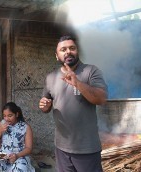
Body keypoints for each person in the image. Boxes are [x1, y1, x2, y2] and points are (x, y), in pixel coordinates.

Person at [39, 35, 108, 172]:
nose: (68, 51)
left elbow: (101, 99)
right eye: (63, 49)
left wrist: (77, 82)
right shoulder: (51, 77)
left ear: (77, 51)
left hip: (86, 148)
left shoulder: (91, 71)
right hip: (61, 147)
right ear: (57, 56)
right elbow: (46, 104)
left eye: (72, 48)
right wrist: (44, 106)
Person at [0, 102, 35, 172]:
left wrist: (17, 155)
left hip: (19, 157)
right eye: (4, 116)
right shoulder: (2, 124)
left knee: (19, 169)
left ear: (17, 114)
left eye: (10, 115)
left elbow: (29, 148)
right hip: (3, 155)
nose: (6, 119)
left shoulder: (26, 127)